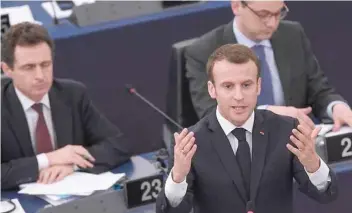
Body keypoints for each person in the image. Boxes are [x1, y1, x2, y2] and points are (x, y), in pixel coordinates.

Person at [156, 44, 338, 213]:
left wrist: (313, 164)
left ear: (258, 86)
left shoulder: (286, 130)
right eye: (228, 86)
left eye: (246, 85)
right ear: (212, 90)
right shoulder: (191, 142)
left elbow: (325, 194)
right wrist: (178, 177)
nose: (238, 96)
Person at [1, 22, 132, 190]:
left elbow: (118, 144)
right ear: (7, 69)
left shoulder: (72, 94)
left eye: (45, 65)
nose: (40, 76)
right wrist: (49, 159)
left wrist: (72, 166)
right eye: (29, 67)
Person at [185, 0, 352, 131]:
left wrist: (336, 107)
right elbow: (211, 115)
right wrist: (268, 114)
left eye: (278, 13)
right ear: (236, 6)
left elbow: (319, 92)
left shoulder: (292, 34)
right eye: (263, 14)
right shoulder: (204, 51)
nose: (272, 23)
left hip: (296, 147)